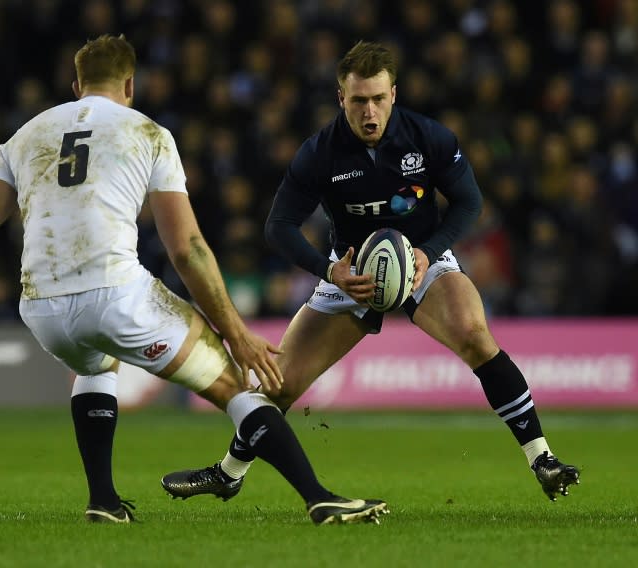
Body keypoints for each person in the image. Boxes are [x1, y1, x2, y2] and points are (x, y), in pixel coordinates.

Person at [0, 34, 389, 525]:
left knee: (95, 367)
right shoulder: (148, 133)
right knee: (231, 385)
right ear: (131, 85)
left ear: (77, 85)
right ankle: (318, 496)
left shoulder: (25, 136)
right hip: (116, 294)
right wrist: (237, 333)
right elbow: (188, 249)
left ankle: (104, 502)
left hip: (42, 307)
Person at [161, 40, 580, 503]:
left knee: (475, 334)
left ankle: (542, 458)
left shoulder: (429, 138)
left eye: (378, 99)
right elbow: (278, 227)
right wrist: (329, 270)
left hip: (424, 262)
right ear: (341, 98)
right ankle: (228, 473)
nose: (369, 111)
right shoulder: (319, 153)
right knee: (279, 383)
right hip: (350, 274)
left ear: (394, 95)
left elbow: (470, 201)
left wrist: (429, 250)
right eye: (358, 100)